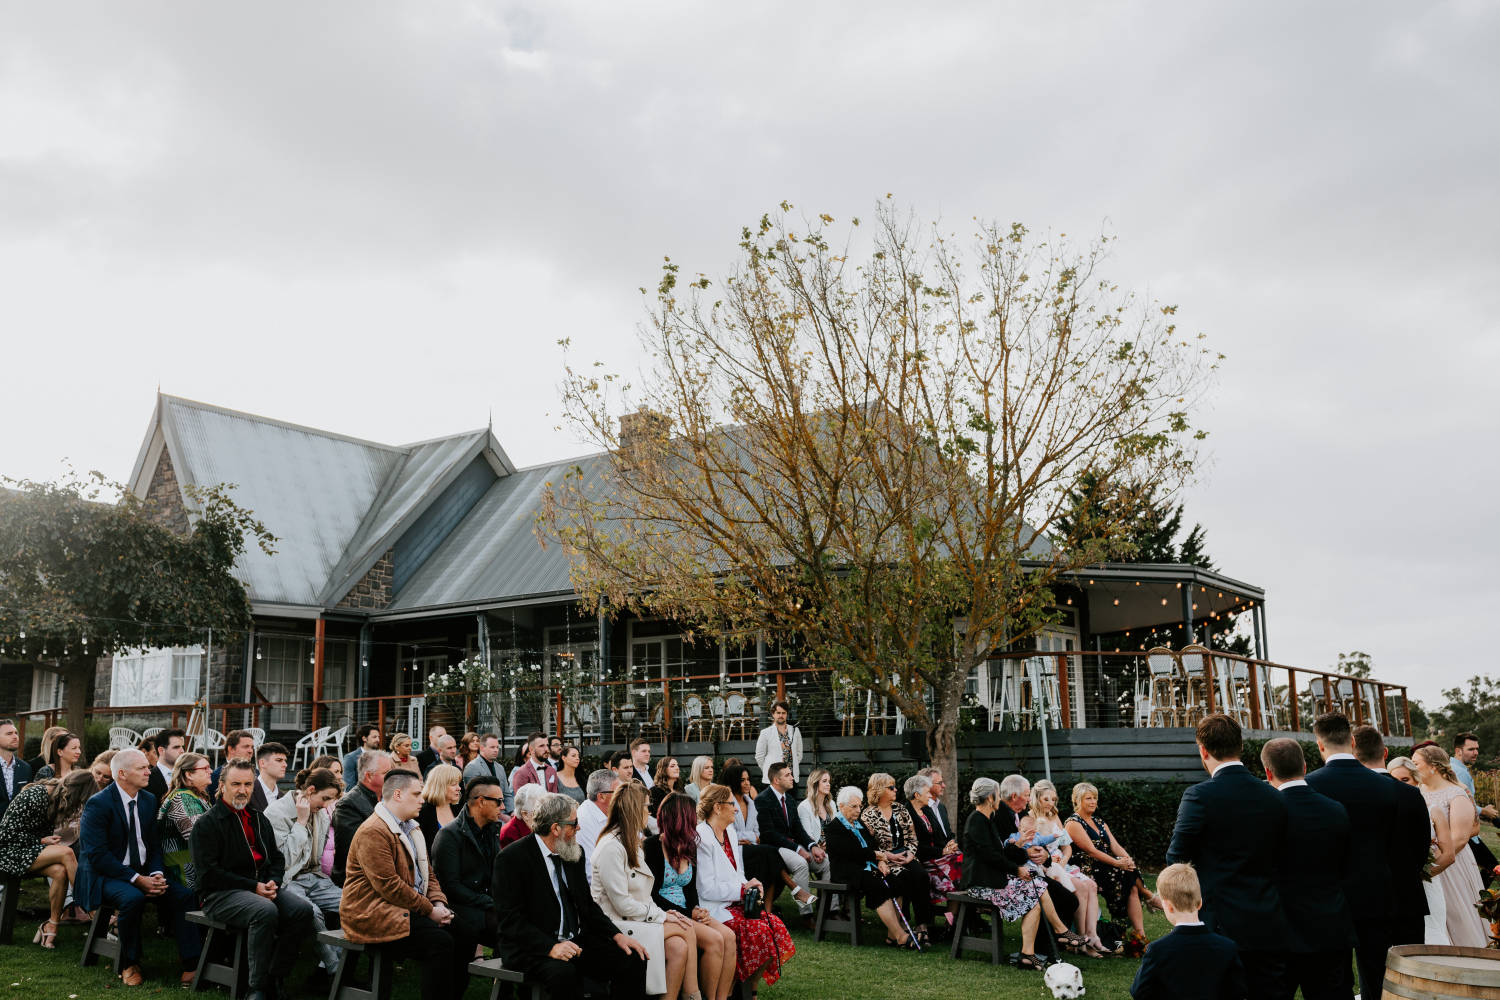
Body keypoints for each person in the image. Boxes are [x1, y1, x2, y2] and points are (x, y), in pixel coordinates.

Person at [1305, 712, 1427, 999]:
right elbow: (1418, 849)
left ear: (1320, 746)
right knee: (1376, 976)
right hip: (1377, 894)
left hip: (1327, 897)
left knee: (1333, 980)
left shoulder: (1310, 786)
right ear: (1350, 741)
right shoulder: (1390, 788)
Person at [1165, 713, 1288, 997]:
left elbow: (1176, 857)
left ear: (1203, 750)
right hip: (1268, 920)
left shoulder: (1199, 796)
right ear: (1240, 746)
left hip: (1217, 923)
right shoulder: (1274, 796)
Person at [492, 791, 650, 1000]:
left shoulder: (573, 852)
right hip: (531, 947)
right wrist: (550, 947)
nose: (579, 828)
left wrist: (617, 935)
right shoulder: (512, 859)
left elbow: (587, 905)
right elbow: (511, 920)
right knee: (565, 974)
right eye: (573, 823)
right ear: (555, 828)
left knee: (632, 957)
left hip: (574, 941)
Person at [190, 758, 314, 1000]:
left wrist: (273, 882)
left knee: (302, 910)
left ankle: (274, 976)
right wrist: (253, 886)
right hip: (219, 895)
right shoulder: (207, 823)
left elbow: (276, 859)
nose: (242, 790)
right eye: (236, 784)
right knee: (264, 911)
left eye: (248, 784)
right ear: (222, 785)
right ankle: (255, 988)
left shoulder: (258, 818)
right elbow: (209, 873)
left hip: (261, 888)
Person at [77, 748, 201, 986]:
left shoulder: (148, 799)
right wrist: (136, 878)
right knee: (132, 898)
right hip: (105, 875)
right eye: (142, 768)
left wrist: (155, 873)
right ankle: (129, 963)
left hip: (143, 871)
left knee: (183, 895)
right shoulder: (98, 804)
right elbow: (97, 856)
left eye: (148, 766)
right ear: (122, 774)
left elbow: (154, 845)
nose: (149, 771)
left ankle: (191, 963)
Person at [342, 768, 466, 995]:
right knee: (439, 942)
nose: (423, 799)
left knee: (463, 929)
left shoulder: (410, 826)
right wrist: (429, 910)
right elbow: (389, 886)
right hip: (372, 913)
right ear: (397, 795)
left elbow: (428, 874)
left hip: (403, 906)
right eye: (417, 794)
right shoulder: (374, 830)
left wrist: (438, 903)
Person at [1260, 738, 1355, 1000]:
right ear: (1304, 766)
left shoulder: (1263, 813)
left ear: (1268, 772)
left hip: (1278, 929)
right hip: (1329, 926)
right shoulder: (1336, 810)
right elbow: (1346, 865)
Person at [961, 777, 1082, 969]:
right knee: (1038, 887)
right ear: (991, 798)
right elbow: (990, 856)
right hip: (980, 883)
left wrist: (1017, 848)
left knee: (1036, 893)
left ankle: (1028, 954)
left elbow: (999, 852)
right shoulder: (977, 820)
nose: (1000, 799)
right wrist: (1017, 869)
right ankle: (1060, 932)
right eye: (998, 795)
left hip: (992, 878)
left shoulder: (986, 819)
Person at [592, 782, 698, 999]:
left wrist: (665, 914)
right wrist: (662, 915)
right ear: (633, 809)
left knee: (678, 946)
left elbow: (643, 894)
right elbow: (621, 903)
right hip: (615, 923)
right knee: (686, 929)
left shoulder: (631, 842)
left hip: (636, 918)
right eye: (646, 806)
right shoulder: (611, 846)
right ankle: (693, 995)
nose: (649, 812)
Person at [695, 783, 796, 992]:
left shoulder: (730, 832)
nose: (735, 808)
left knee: (775, 927)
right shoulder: (701, 837)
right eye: (732, 803)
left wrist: (749, 884)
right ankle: (732, 990)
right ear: (717, 807)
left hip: (737, 904)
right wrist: (741, 891)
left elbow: (738, 873)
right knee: (759, 932)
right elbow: (706, 889)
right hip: (714, 908)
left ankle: (750, 988)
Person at [645, 792, 738, 1000]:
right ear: (681, 819)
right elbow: (651, 893)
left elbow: (690, 888)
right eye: (691, 817)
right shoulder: (652, 847)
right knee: (714, 940)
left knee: (729, 936)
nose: (696, 822)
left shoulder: (689, 846)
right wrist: (687, 913)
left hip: (688, 910)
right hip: (665, 913)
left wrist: (696, 908)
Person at [1353, 723, 1437, 950]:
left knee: (1372, 974)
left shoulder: (1354, 795)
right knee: (1410, 968)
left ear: (1353, 753)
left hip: (1366, 900)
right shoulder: (1411, 793)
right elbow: (1422, 845)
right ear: (1385, 753)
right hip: (1408, 895)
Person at [265, 766, 344, 984]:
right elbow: (284, 861)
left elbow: (316, 857)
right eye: (325, 798)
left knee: (355, 904)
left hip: (315, 877)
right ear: (309, 790)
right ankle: (335, 972)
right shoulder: (276, 813)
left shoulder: (320, 813)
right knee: (312, 912)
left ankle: (327, 966)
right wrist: (300, 822)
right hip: (288, 879)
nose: (326, 805)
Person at [822, 784, 923, 949]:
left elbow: (872, 844)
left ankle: (892, 936)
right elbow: (852, 852)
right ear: (841, 807)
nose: (858, 810)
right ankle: (901, 935)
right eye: (853, 806)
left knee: (898, 883)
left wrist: (882, 861)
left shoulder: (859, 824)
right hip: (847, 870)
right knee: (877, 886)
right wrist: (877, 856)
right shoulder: (834, 828)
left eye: (859, 806)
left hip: (867, 866)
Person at [0, 770, 93, 948]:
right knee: (66, 853)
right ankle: (92, 908)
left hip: (27, 851)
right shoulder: (35, 795)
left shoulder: (56, 799)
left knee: (60, 871)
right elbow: (5, 835)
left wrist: (43, 840)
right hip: (7, 853)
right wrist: (40, 840)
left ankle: (51, 925)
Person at [1129, 863, 1246, 1000]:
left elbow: (1139, 991)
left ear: (1168, 906)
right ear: (1200, 903)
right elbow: (1238, 991)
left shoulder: (1157, 950)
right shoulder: (1227, 947)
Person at [1412, 744, 1489, 946]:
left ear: (1433, 767)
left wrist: (1433, 864)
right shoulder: (1417, 791)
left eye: (1416, 764)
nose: (1412, 768)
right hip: (1426, 861)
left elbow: (1461, 838)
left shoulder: (1456, 793)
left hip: (1452, 864)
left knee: (1457, 914)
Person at [996, 773, 1080, 933]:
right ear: (1014, 796)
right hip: (1014, 874)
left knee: (1069, 898)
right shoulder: (998, 816)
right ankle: (1049, 944)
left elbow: (1039, 841)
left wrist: (1045, 855)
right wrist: (1028, 854)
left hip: (1032, 870)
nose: (1029, 800)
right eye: (1027, 795)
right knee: (1065, 899)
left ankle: (1054, 942)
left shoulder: (1021, 815)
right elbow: (1003, 853)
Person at [1027, 779, 1100, 953]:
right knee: (1081, 887)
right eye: (1046, 799)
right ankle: (1079, 939)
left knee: (1091, 885)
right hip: (1046, 866)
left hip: (1061, 863)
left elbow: (1067, 847)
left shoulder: (1054, 815)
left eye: (1053, 799)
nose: (1050, 803)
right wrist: (1053, 863)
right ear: (1037, 798)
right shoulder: (1030, 818)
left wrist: (1065, 860)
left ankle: (1091, 935)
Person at [432, 773, 503, 952]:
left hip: (485, 904)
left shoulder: (491, 830)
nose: (503, 806)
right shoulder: (449, 836)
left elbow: (498, 873)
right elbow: (450, 887)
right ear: (481, 802)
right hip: (459, 908)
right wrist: (489, 902)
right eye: (498, 801)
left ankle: (508, 976)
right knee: (508, 928)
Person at [721, 763, 804, 909]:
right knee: (770, 852)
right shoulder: (728, 803)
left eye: (748, 779)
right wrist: (751, 837)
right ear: (734, 781)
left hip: (750, 847)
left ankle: (768, 909)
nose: (747, 783)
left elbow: (757, 833)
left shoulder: (751, 803)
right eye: (742, 780)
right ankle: (792, 888)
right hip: (735, 849)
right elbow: (729, 832)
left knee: (769, 860)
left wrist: (750, 838)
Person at [1388, 755, 1452, 944]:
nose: (1400, 784)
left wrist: (1420, 874)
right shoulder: (1389, 810)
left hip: (1428, 883)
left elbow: (1448, 854)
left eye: (1405, 780)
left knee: (1432, 934)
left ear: (1416, 780)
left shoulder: (1433, 809)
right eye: (1395, 780)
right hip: (1399, 887)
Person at [757, 762, 828, 924]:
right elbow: (769, 834)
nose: (793, 778)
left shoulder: (789, 799)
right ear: (776, 780)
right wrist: (798, 849)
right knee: (801, 863)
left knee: (825, 861)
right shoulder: (763, 799)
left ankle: (829, 909)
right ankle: (807, 915)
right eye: (788, 775)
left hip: (792, 845)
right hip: (774, 848)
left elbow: (798, 830)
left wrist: (813, 846)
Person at [908, 773, 964, 922]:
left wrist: (950, 844)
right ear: (917, 795)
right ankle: (953, 921)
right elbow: (917, 846)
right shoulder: (909, 813)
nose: (929, 795)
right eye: (927, 792)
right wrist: (943, 850)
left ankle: (955, 921)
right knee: (960, 868)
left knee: (964, 863)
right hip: (925, 860)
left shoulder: (927, 811)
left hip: (937, 857)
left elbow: (942, 835)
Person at [332, 749, 392, 886]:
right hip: (359, 881)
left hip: (383, 874)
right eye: (386, 773)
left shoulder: (388, 798)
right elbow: (357, 851)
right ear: (369, 776)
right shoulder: (348, 805)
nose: (392, 777)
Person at [1446, 731, 1498, 887]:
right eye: (1470, 749)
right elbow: (1460, 802)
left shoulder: (1455, 767)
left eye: (1477, 749)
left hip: (1467, 831)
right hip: (1466, 832)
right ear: (1458, 750)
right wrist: (1485, 811)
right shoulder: (1459, 772)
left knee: (1482, 868)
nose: (1476, 753)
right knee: (1493, 867)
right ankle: (1478, 900)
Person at [157, 751, 213, 892]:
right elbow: (199, 838)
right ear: (189, 774)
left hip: (193, 868)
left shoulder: (196, 796)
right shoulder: (183, 798)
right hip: (184, 873)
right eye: (205, 768)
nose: (210, 771)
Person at [577, 768, 617, 882]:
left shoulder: (611, 810)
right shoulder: (583, 820)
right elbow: (590, 872)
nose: (622, 796)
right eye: (618, 792)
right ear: (601, 797)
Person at [462, 733, 514, 816]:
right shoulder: (472, 767)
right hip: (483, 815)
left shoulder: (500, 768)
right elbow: (475, 798)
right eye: (492, 747)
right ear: (482, 748)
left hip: (503, 812)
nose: (496, 750)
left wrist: (512, 812)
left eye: (497, 747)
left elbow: (507, 794)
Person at [754, 700, 803, 786]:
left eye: (783, 713)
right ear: (773, 714)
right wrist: (769, 771)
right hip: (773, 780)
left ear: (787, 714)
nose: (781, 715)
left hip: (791, 779)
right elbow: (759, 757)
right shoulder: (765, 733)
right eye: (778, 713)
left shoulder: (795, 731)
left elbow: (799, 755)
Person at [417, 763, 462, 847]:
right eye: (453, 784)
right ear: (440, 786)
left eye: (458, 784)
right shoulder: (423, 812)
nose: (459, 788)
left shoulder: (458, 808)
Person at [0, 717, 33, 820]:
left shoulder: (25, 768)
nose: (15, 737)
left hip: (18, 829)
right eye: (9, 734)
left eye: (16, 733)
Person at [208, 730, 256, 798]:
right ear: (231, 749)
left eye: (252, 747)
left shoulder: (257, 773)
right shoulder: (216, 776)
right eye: (246, 747)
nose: (250, 751)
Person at [501, 781, 547, 848]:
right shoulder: (509, 834)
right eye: (540, 810)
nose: (545, 813)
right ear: (525, 814)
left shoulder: (538, 826)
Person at [796, 767, 835, 846]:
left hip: (833, 848)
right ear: (815, 784)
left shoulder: (831, 804)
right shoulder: (804, 807)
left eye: (829, 781)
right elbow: (807, 836)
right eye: (824, 781)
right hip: (815, 851)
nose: (828, 784)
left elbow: (836, 831)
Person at [917, 767, 955, 841]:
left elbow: (947, 833)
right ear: (927, 785)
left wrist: (952, 842)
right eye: (940, 783)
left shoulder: (941, 807)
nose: (944, 786)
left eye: (943, 782)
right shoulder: (920, 809)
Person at [250, 741, 289, 813]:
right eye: (279, 760)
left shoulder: (284, 797)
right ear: (262, 763)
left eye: (285, 761)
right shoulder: (248, 792)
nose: (285, 765)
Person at [149, 728, 186, 802]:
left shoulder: (187, 774)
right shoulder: (148, 778)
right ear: (161, 750)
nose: (182, 751)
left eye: (182, 747)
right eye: (176, 747)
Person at [342, 725, 382, 791]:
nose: (378, 740)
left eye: (378, 737)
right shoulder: (350, 758)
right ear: (364, 738)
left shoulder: (381, 757)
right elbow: (349, 787)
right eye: (374, 737)